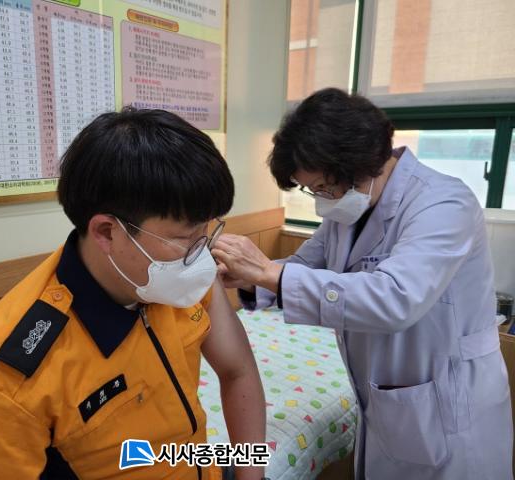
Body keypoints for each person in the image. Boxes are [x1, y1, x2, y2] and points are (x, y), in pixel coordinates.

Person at [0, 107, 266, 480]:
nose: (202, 254)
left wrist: (251, 476)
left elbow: (237, 370)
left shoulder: (179, 279)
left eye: (207, 231)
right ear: (107, 232)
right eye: (186, 237)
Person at [212, 88, 513, 479]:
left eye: (322, 187)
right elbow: (304, 265)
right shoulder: (348, 209)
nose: (320, 199)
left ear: (357, 167)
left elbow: (396, 298)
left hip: (449, 401)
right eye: (311, 190)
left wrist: (267, 272)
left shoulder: (443, 203)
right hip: (388, 395)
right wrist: (251, 280)